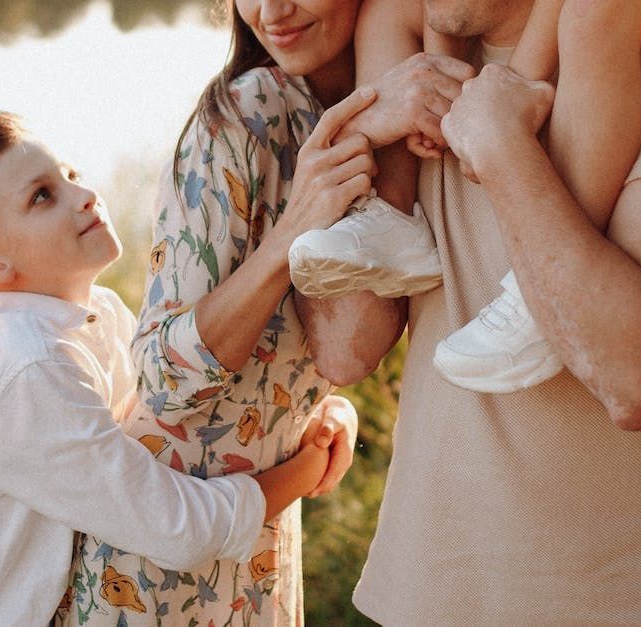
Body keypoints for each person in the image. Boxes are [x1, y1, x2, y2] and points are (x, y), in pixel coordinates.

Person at [296, 0, 641, 622]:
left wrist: (504, 146)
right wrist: (356, 147)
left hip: (618, 604)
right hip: (423, 598)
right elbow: (347, 349)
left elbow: (638, 384)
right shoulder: (421, 76)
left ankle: (527, 304)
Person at [68, 1, 478, 622]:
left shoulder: (388, 99)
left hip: (258, 541)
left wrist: (318, 407)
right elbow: (162, 376)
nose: (271, 10)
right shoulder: (245, 113)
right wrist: (291, 233)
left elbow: (337, 346)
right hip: (157, 554)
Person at [0, 111, 348, 625]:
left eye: (70, 175)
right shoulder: (23, 369)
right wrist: (311, 464)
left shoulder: (97, 314)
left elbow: (170, 438)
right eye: (42, 196)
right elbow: (177, 528)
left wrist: (323, 414)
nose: (85, 194)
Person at [291, 0, 641, 393]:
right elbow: (341, 356)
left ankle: (540, 289)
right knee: (389, 8)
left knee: (592, 16)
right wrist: (440, 100)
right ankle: (389, 220)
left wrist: (497, 112)